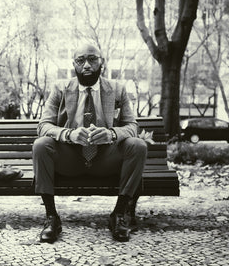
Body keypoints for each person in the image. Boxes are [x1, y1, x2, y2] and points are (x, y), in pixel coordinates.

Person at [32, 44, 147, 243]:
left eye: (92, 59)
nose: (86, 65)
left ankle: (118, 215)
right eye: (80, 60)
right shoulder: (60, 88)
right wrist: (69, 135)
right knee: (41, 145)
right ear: (73, 64)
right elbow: (43, 126)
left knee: (138, 146)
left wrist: (111, 134)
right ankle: (52, 217)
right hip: (70, 158)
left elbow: (132, 127)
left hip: (105, 159)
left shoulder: (117, 89)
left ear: (101, 62)